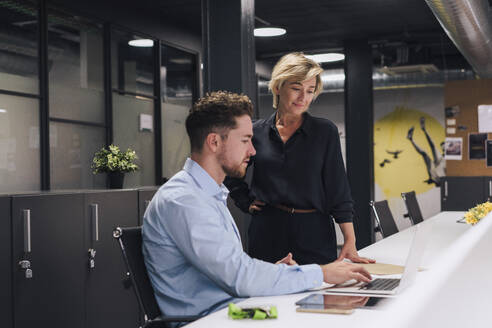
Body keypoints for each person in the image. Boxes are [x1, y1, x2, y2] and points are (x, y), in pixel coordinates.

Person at [142, 91, 372, 319]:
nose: (252, 151)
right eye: (245, 140)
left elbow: (234, 271)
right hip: (213, 320)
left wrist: (279, 271)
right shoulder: (183, 200)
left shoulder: (205, 194)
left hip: (236, 311)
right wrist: (321, 272)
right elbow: (240, 278)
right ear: (214, 142)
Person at [225, 52, 374, 265]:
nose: (303, 97)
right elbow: (230, 171)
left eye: (310, 91)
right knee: (267, 294)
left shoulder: (325, 132)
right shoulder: (255, 132)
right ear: (278, 87)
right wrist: (245, 201)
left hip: (314, 231)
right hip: (268, 230)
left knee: (319, 293)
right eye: (296, 89)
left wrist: (350, 240)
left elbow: (338, 188)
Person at [407, 117, 445, 186]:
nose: (443, 148)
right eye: (443, 147)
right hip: (436, 172)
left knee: (431, 148)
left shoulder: (446, 159)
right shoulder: (442, 157)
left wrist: (432, 178)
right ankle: (411, 138)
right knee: (425, 153)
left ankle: (423, 130)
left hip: (438, 175)